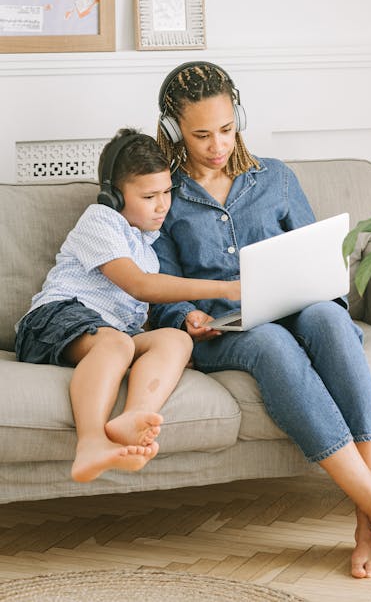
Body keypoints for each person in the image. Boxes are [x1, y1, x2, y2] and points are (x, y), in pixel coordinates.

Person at [149, 61, 371, 583]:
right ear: (175, 131)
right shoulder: (165, 196)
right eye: (201, 135)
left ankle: (366, 522)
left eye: (225, 129)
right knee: (271, 346)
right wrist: (188, 315)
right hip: (227, 330)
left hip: (297, 307)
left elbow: (320, 263)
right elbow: (162, 291)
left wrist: (318, 283)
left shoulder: (277, 178)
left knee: (328, 322)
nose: (217, 145)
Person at [15, 128, 240, 484]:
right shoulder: (100, 221)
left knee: (175, 341)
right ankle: (90, 443)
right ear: (113, 197)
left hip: (109, 333)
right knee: (116, 343)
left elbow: (144, 305)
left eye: (167, 192)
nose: (162, 205)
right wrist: (226, 289)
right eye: (150, 196)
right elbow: (140, 285)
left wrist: (189, 317)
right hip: (53, 320)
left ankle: (135, 417)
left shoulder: (147, 246)